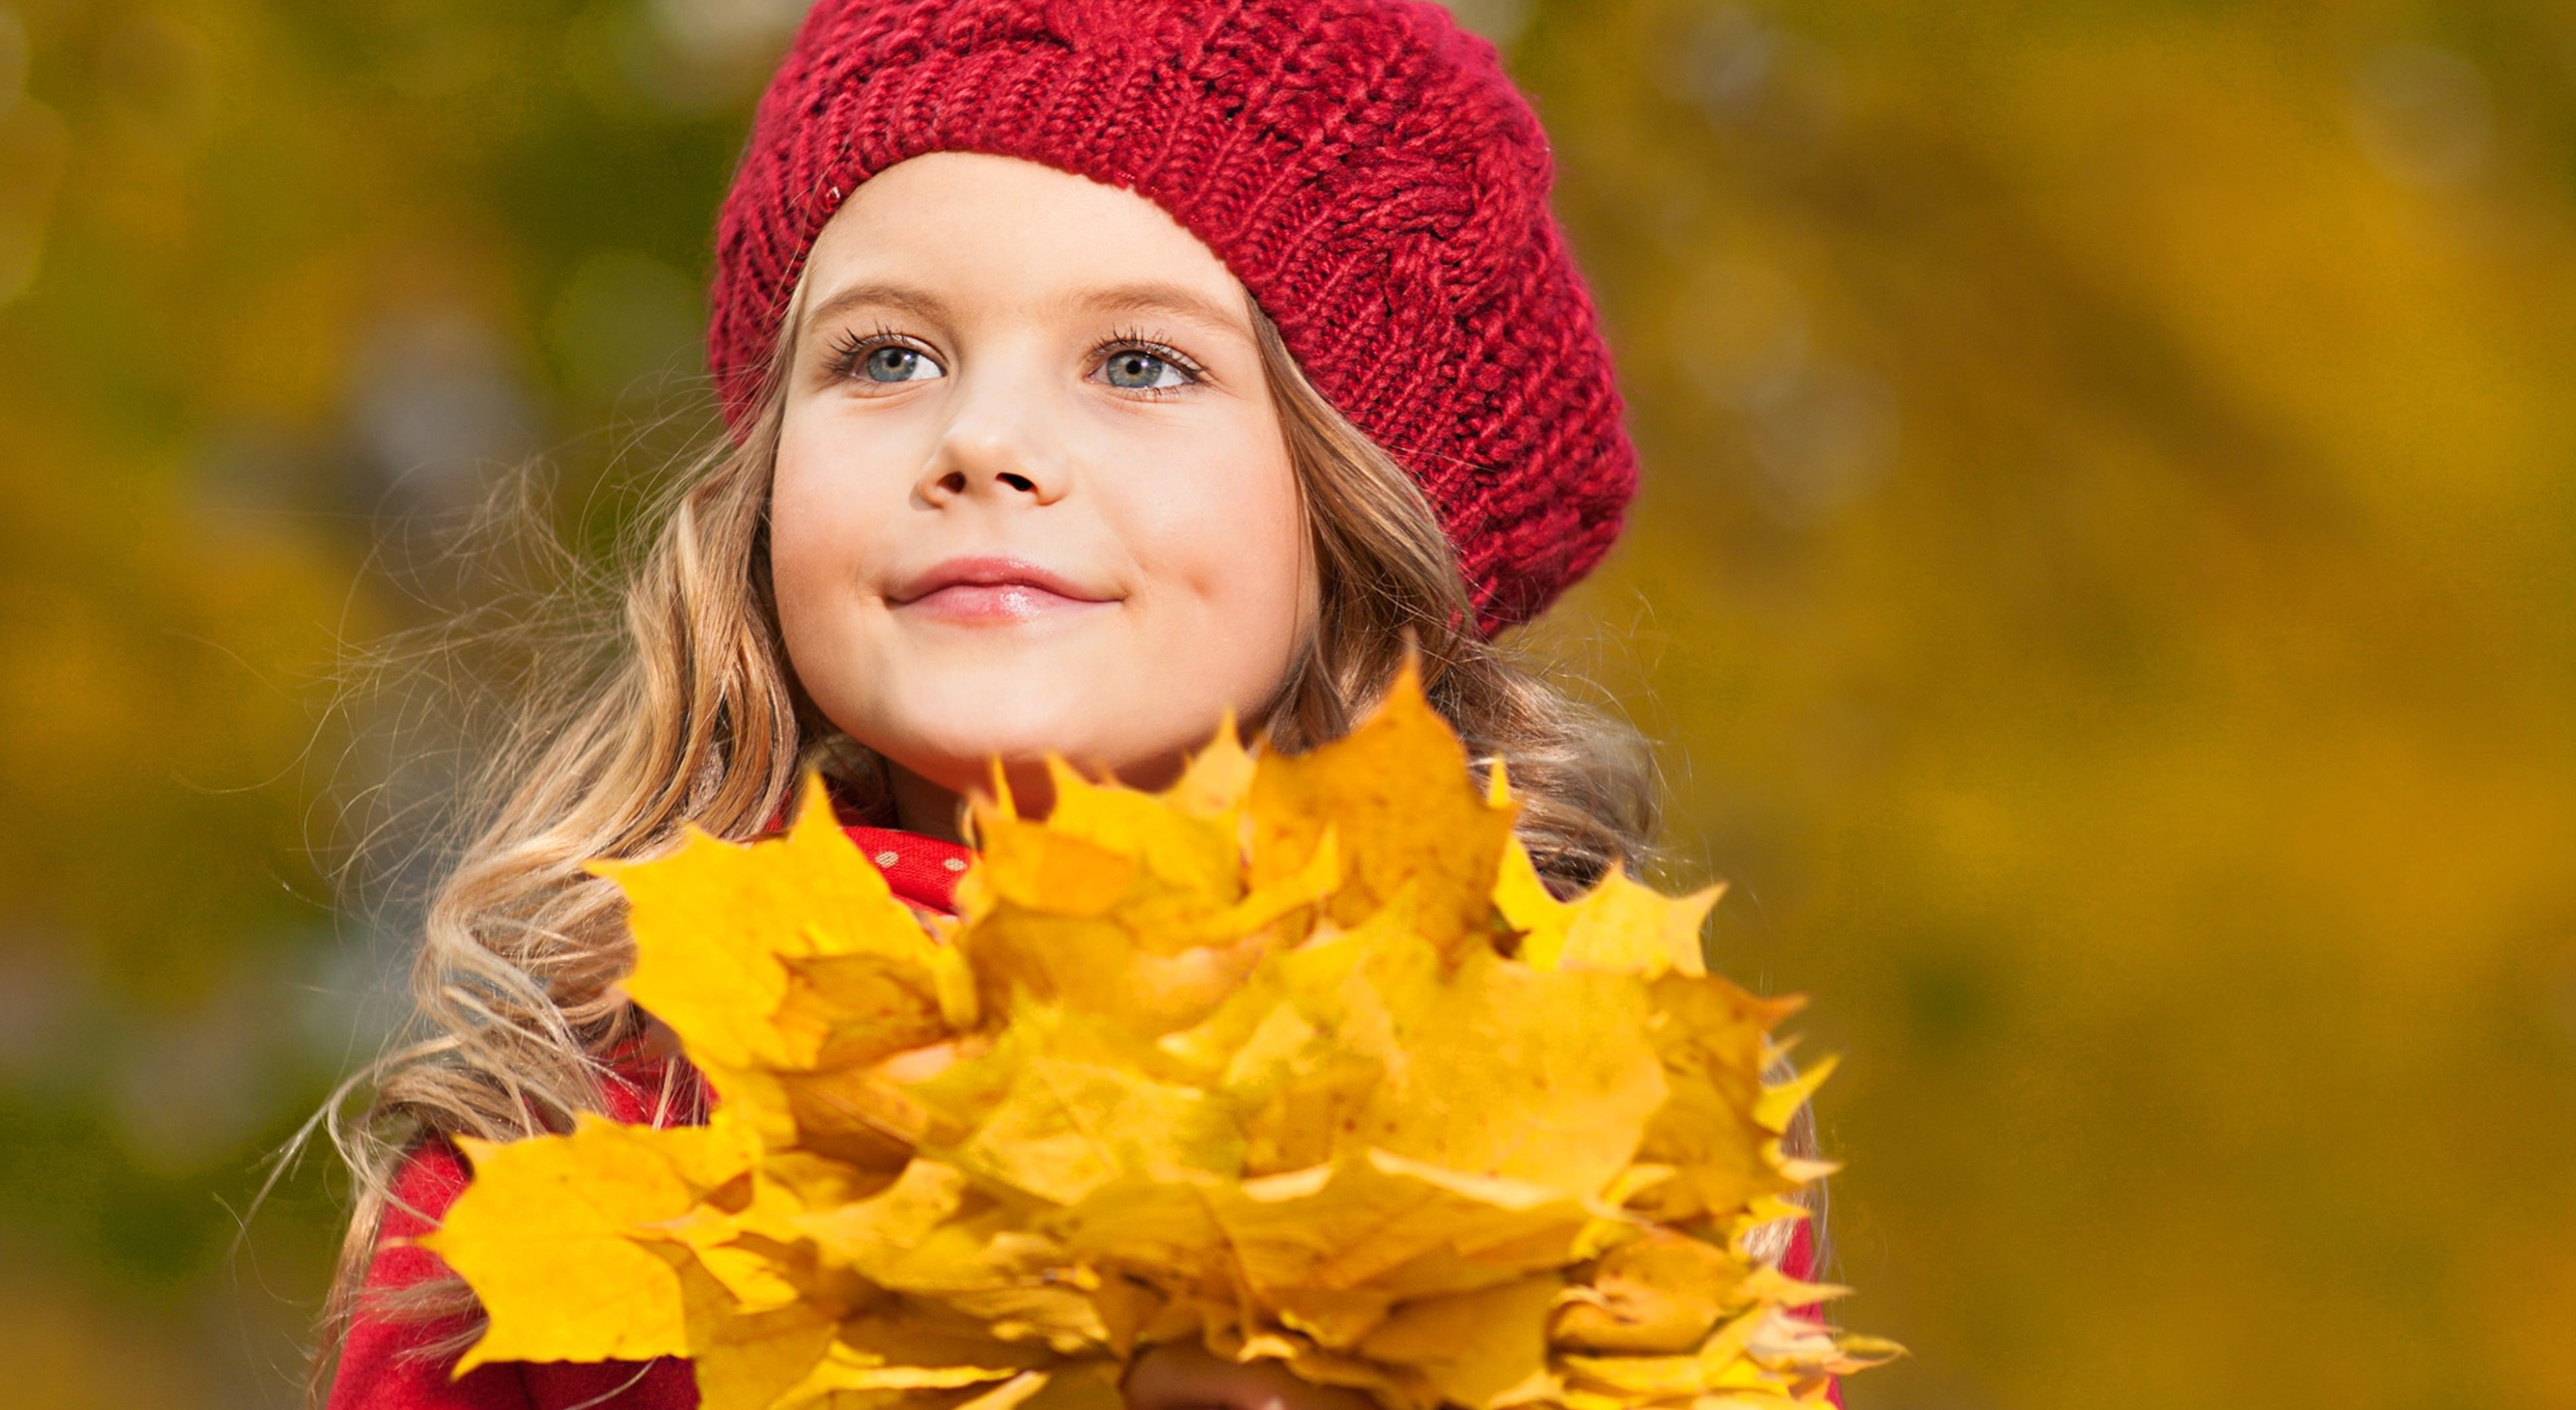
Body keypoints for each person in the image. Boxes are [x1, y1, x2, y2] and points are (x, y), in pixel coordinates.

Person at [319, 0, 1834, 1405]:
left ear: (1355, 511)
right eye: (888, 356)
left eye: (1137, 363)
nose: (979, 439)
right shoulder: (578, 1133)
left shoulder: (1576, 1124)